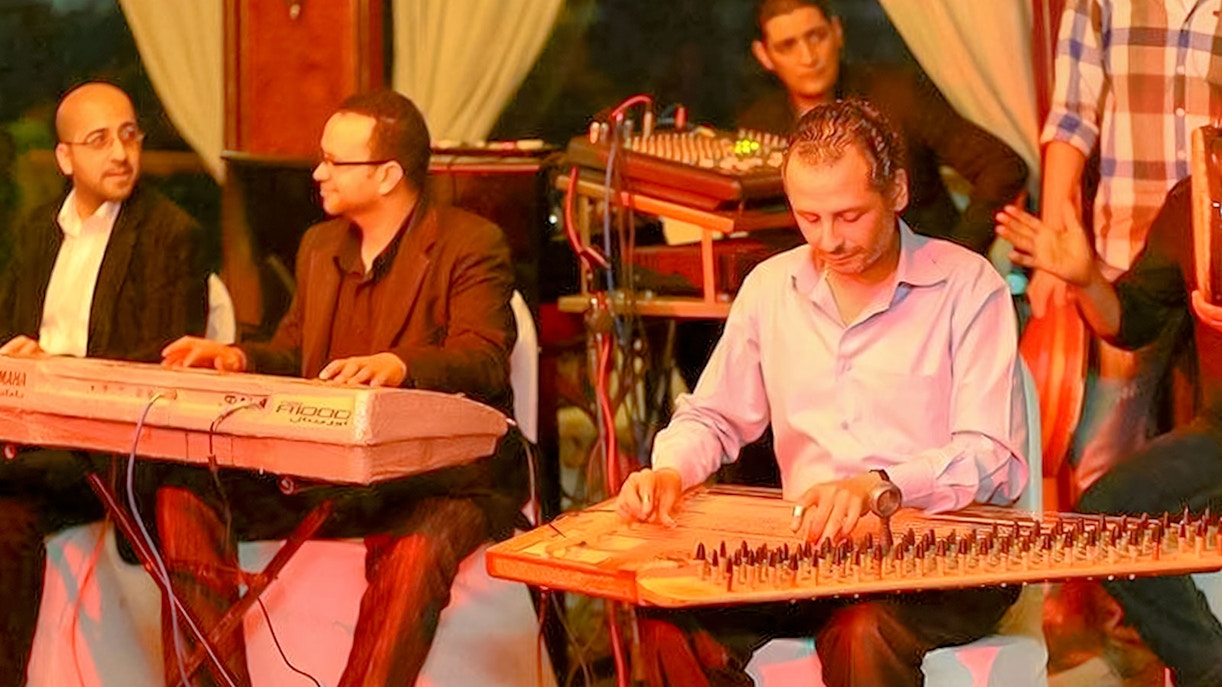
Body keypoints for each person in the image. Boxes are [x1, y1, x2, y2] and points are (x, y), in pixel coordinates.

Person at [618, 99, 1029, 687]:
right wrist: (671, 470)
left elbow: (993, 458)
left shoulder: (967, 287)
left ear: (899, 193)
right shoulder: (770, 287)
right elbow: (712, 415)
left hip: (943, 558)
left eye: (850, 216)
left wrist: (880, 487)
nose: (829, 240)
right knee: (669, 625)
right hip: (811, 557)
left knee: (859, 632)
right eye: (809, 218)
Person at [157, 89, 527, 686]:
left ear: (387, 174)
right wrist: (235, 357)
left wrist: (399, 365)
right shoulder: (318, 246)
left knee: (415, 550)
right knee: (184, 495)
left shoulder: (470, 242)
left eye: (334, 161)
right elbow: (296, 355)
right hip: (327, 470)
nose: (318, 172)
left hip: (439, 481)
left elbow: (484, 356)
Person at [0, 82, 206, 684]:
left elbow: (165, 364)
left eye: (129, 134)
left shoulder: (173, 233)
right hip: (29, 440)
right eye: (98, 140)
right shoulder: (38, 228)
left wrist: (57, 368)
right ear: (65, 157)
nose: (120, 153)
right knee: (8, 522)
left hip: (108, 448)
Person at [997, 179, 1222, 687]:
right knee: (1107, 515)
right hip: (1219, 433)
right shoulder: (1196, 197)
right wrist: (1084, 278)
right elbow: (1134, 318)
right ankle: (1209, 668)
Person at [1035, 0, 1222, 495]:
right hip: (1129, 251)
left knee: (1200, 440)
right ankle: (1104, 569)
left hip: (1216, 253)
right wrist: (1057, 244)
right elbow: (1072, 117)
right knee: (1104, 451)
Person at [738, 0, 1028, 255]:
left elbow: (1002, 166)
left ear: (837, 31)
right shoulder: (758, 123)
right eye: (788, 46)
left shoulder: (900, 95)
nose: (808, 57)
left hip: (922, 276)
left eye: (816, 36)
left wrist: (958, 253)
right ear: (764, 55)